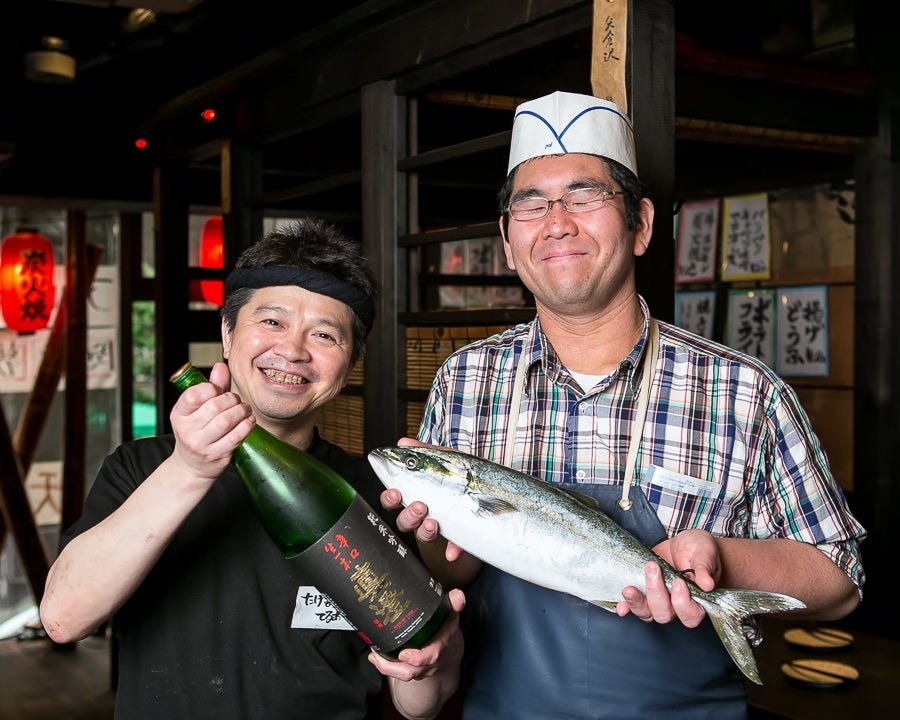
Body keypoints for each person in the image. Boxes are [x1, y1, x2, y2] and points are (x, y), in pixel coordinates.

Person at [382, 91, 866, 719]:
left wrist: (724, 557)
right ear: (506, 240)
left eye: (584, 196)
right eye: (531, 203)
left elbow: (839, 578)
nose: (557, 222)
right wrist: (440, 536)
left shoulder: (743, 390)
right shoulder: (466, 380)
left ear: (640, 223)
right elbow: (450, 576)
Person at [39, 218, 464, 720]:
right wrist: (191, 468)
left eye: (325, 334)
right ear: (227, 332)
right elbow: (63, 619)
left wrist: (434, 660)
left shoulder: (377, 494)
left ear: (350, 364)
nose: (293, 350)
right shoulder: (142, 468)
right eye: (272, 321)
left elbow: (420, 705)